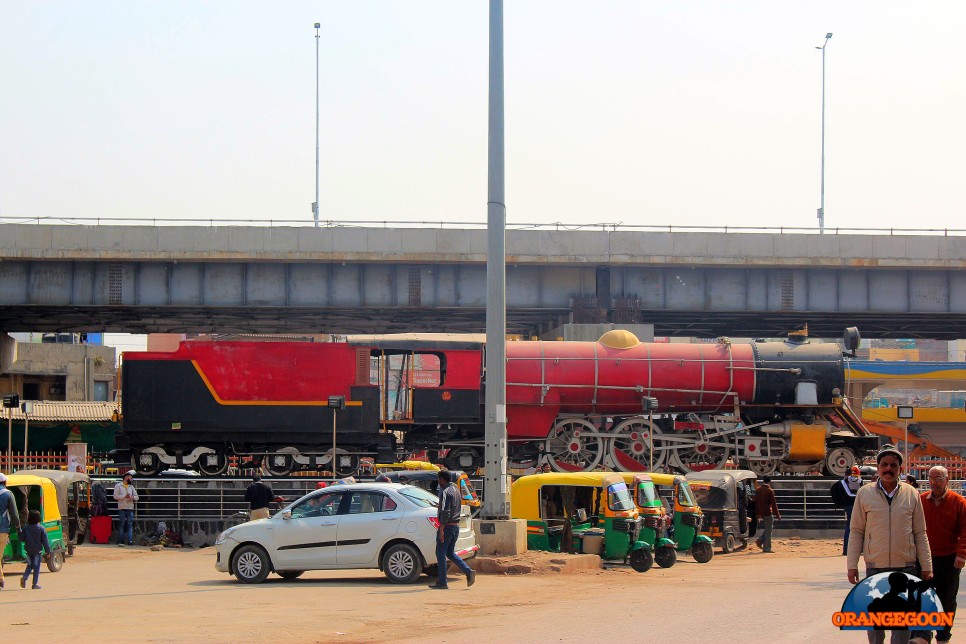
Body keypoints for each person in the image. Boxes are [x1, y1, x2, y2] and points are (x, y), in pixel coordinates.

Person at [848, 445, 932, 644]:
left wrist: (927, 566)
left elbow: (920, 533)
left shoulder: (911, 494)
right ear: (877, 467)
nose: (888, 469)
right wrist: (852, 565)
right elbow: (857, 531)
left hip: (906, 566)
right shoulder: (864, 494)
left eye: (893, 465)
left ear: (900, 469)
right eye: (884, 465)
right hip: (875, 566)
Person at [918, 465, 966, 643]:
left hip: (950, 558)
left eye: (938, 478)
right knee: (924, 598)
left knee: (947, 599)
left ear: (947, 480)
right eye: (930, 478)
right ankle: (924, 634)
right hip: (925, 558)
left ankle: (943, 636)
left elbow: (965, 530)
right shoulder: (921, 500)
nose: (933, 482)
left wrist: (961, 554)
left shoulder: (959, 502)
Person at [428, 470, 476, 590]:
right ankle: (468, 571)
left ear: (442, 479)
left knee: (440, 554)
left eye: (439, 480)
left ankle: (442, 581)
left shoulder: (445, 492)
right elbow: (451, 507)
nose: (438, 482)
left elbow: (445, 511)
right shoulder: (455, 489)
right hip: (455, 526)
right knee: (449, 553)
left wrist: (442, 529)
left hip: (447, 526)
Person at [831, 465, 863, 556]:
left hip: (847, 506)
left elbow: (834, 493)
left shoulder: (841, 483)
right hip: (857, 506)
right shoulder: (859, 482)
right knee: (857, 528)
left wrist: (841, 504)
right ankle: (855, 549)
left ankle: (847, 549)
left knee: (849, 528)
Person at [0, 472, 22, 590]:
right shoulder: (8, 494)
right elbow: (14, 514)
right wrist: (18, 529)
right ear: (4, 482)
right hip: (3, 529)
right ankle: (1, 579)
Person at [19, 509, 51, 590]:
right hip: (37, 551)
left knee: (30, 565)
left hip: (28, 551)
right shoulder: (41, 528)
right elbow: (45, 541)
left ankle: (25, 577)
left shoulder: (26, 528)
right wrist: (48, 551)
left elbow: (21, 539)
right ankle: (34, 584)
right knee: (36, 566)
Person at [754, 476, 781, 553]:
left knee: (768, 529)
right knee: (769, 531)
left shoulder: (758, 490)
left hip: (761, 512)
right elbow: (774, 504)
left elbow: (756, 503)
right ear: (769, 482)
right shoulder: (770, 491)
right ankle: (767, 548)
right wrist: (778, 515)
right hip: (768, 513)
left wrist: (758, 514)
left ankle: (760, 540)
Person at [113, 470, 139, 546]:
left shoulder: (131, 487)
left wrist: (132, 497)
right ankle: (120, 540)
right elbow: (115, 496)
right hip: (122, 507)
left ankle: (130, 540)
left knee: (130, 525)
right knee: (122, 524)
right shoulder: (118, 485)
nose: (131, 480)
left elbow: (137, 497)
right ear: (126, 478)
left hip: (130, 507)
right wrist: (124, 496)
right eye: (130, 478)